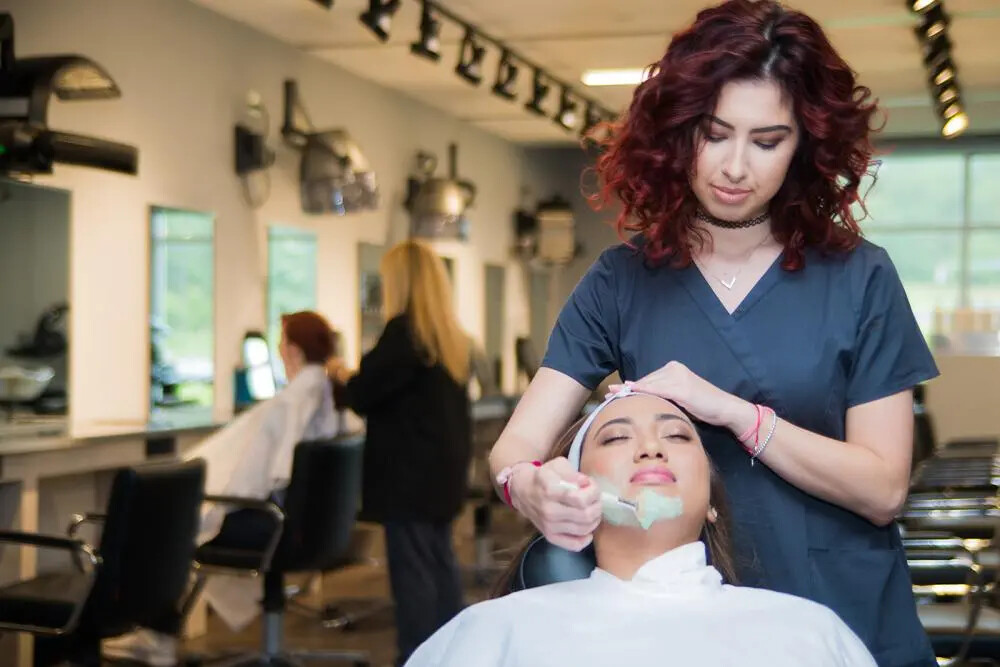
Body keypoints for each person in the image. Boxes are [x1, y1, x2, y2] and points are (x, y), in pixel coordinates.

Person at [488, 2, 938, 665]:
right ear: (677, 132)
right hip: (679, 622)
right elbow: (515, 446)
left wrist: (733, 413)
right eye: (715, 133)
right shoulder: (622, 280)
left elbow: (883, 489)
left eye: (767, 141)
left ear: (805, 146)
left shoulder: (858, 276)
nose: (735, 167)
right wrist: (524, 486)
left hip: (837, 603)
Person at [411, 390, 876, 666]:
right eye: (615, 437)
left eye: (676, 435)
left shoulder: (809, 634)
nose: (651, 447)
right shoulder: (495, 632)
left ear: (713, 504)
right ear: (572, 490)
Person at [103, 310, 340, 666]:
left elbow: (253, 481)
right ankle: (157, 632)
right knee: (185, 519)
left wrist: (207, 507)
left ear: (291, 349)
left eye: (281, 342)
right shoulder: (325, 398)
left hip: (273, 523)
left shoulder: (289, 404)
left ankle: (157, 637)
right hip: (304, 526)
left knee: (172, 526)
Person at [328, 239, 472, 667]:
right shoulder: (448, 340)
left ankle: (417, 657)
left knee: (413, 574)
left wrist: (340, 373)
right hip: (442, 475)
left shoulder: (403, 333)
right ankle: (454, 652)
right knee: (440, 566)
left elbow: (363, 393)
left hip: (408, 479)